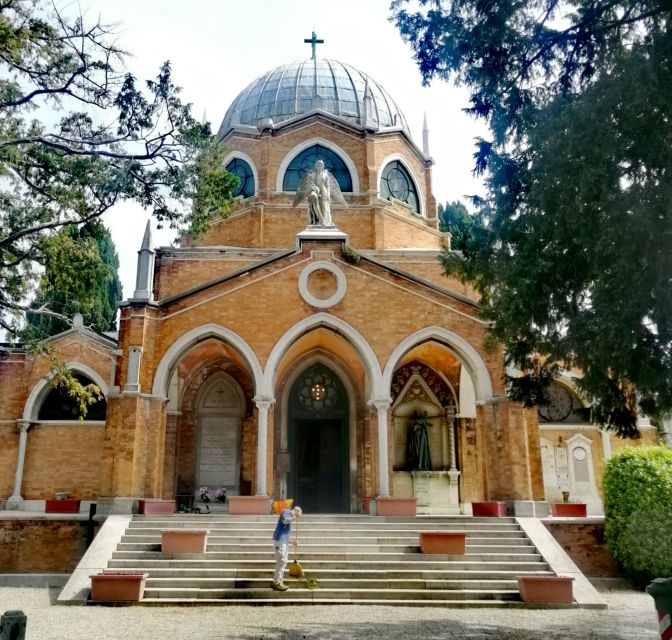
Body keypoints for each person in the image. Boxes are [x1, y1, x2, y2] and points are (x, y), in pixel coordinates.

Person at [271, 504, 302, 591]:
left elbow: (285, 536)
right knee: (281, 562)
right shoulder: (287, 512)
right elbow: (284, 521)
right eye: (299, 514)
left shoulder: (290, 520)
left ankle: (279, 581)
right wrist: (295, 517)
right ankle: (277, 583)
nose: (298, 517)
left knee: (283, 562)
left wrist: (293, 542)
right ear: (296, 512)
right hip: (279, 542)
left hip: (283, 542)